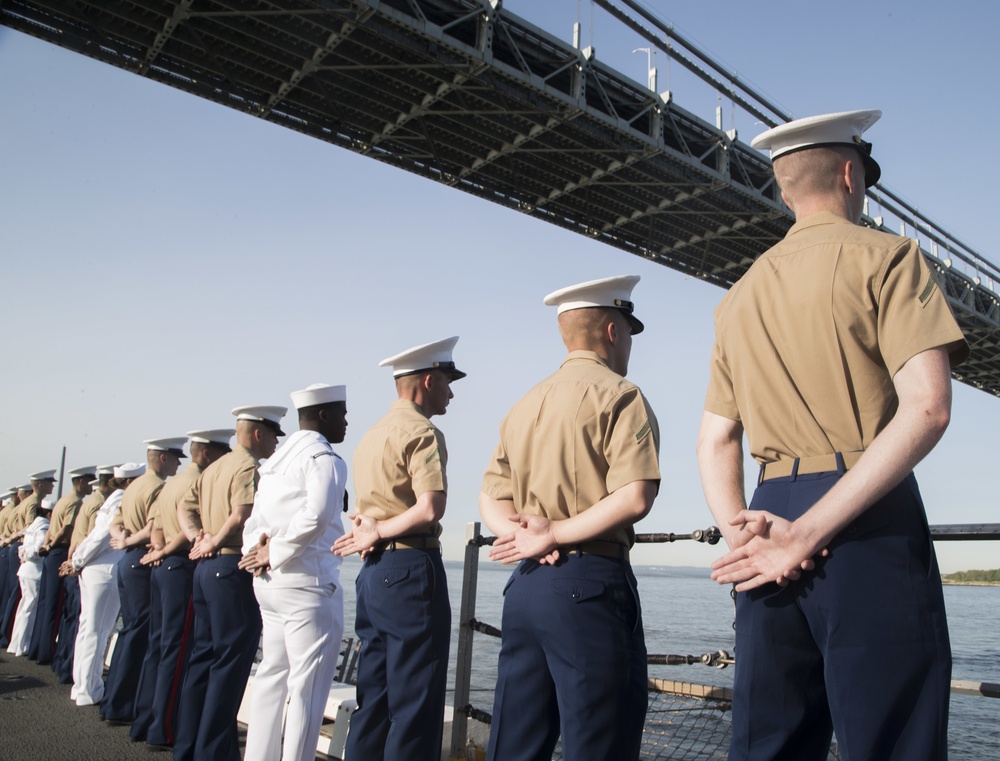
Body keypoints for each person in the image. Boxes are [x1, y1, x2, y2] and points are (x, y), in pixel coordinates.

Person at [697, 110, 969, 761]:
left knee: (770, 742)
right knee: (892, 738)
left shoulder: (739, 295)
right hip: (863, 517)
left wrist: (747, 538)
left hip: (766, 516)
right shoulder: (889, 257)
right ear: (851, 174)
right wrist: (809, 533)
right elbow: (928, 407)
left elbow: (715, 440)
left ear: (786, 192)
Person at [479, 275, 660, 761]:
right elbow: (636, 495)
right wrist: (554, 533)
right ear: (612, 331)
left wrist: (525, 538)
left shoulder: (523, 404)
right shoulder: (621, 395)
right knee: (600, 745)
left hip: (526, 586)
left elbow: (489, 496)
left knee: (516, 744)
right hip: (590, 585)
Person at [333, 337, 462, 761]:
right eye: (446, 381)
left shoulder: (371, 435)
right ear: (427, 380)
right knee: (416, 705)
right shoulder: (422, 432)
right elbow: (430, 507)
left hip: (373, 574)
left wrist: (374, 531)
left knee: (375, 696)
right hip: (409, 566)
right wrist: (381, 531)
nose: (451, 391)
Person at [240, 384, 349, 761]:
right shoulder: (325, 459)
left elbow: (255, 522)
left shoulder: (274, 463)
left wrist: (256, 552)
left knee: (272, 677)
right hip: (307, 585)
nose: (347, 422)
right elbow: (318, 515)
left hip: (271, 587)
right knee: (308, 688)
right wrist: (276, 553)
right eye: (342, 413)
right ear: (323, 416)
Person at [173, 404, 287, 761]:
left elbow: (183, 508)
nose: (274, 443)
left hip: (206, 570)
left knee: (202, 660)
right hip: (230, 566)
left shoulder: (213, 468)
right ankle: (215, 752)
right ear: (258, 433)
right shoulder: (247, 467)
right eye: (272, 435)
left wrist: (198, 538)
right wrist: (215, 540)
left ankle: (188, 746)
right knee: (229, 665)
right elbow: (241, 515)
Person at [129, 428, 233, 748]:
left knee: (158, 648)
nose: (224, 458)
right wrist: (166, 551)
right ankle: (165, 728)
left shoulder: (170, 484)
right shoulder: (196, 482)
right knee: (178, 652)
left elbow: (157, 526)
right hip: (182, 567)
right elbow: (190, 529)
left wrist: (158, 551)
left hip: (163, 569)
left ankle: (145, 721)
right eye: (220, 451)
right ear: (206, 453)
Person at [100, 438, 184, 722]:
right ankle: (123, 705)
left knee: (130, 631)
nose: (178, 462)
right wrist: (129, 541)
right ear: (162, 458)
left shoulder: (133, 486)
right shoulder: (157, 487)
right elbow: (152, 527)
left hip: (128, 562)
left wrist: (122, 538)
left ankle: (113, 701)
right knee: (141, 634)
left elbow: (115, 521)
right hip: (143, 560)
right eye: (175, 457)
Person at [71, 463, 144, 706]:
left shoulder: (111, 498)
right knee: (98, 631)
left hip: (93, 568)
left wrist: (79, 560)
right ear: (129, 482)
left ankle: (80, 684)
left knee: (87, 629)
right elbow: (103, 536)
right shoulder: (120, 499)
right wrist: (79, 559)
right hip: (104, 569)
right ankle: (89, 690)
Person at [28, 465, 95, 665]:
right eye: (90, 481)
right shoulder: (75, 502)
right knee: (55, 606)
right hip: (59, 552)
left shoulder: (63, 500)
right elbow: (66, 529)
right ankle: (46, 652)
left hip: (50, 553)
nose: (92, 485)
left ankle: (37, 649)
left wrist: (46, 545)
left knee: (45, 603)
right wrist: (53, 545)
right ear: (81, 482)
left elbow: (51, 529)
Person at [0, 471, 56, 647]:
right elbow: (29, 530)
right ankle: (9, 637)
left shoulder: (26, 503)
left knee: (17, 596)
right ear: (39, 484)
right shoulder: (32, 504)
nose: (52, 486)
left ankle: (10, 638)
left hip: (16, 548)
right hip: (23, 550)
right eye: (49, 482)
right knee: (20, 598)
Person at [7, 495, 53, 656]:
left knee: (23, 607)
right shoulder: (43, 527)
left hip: (26, 570)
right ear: (49, 514)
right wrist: (30, 555)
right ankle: (24, 644)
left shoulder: (33, 526)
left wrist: (24, 555)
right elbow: (37, 548)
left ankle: (16, 644)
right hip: (34, 571)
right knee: (29, 608)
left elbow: (23, 548)